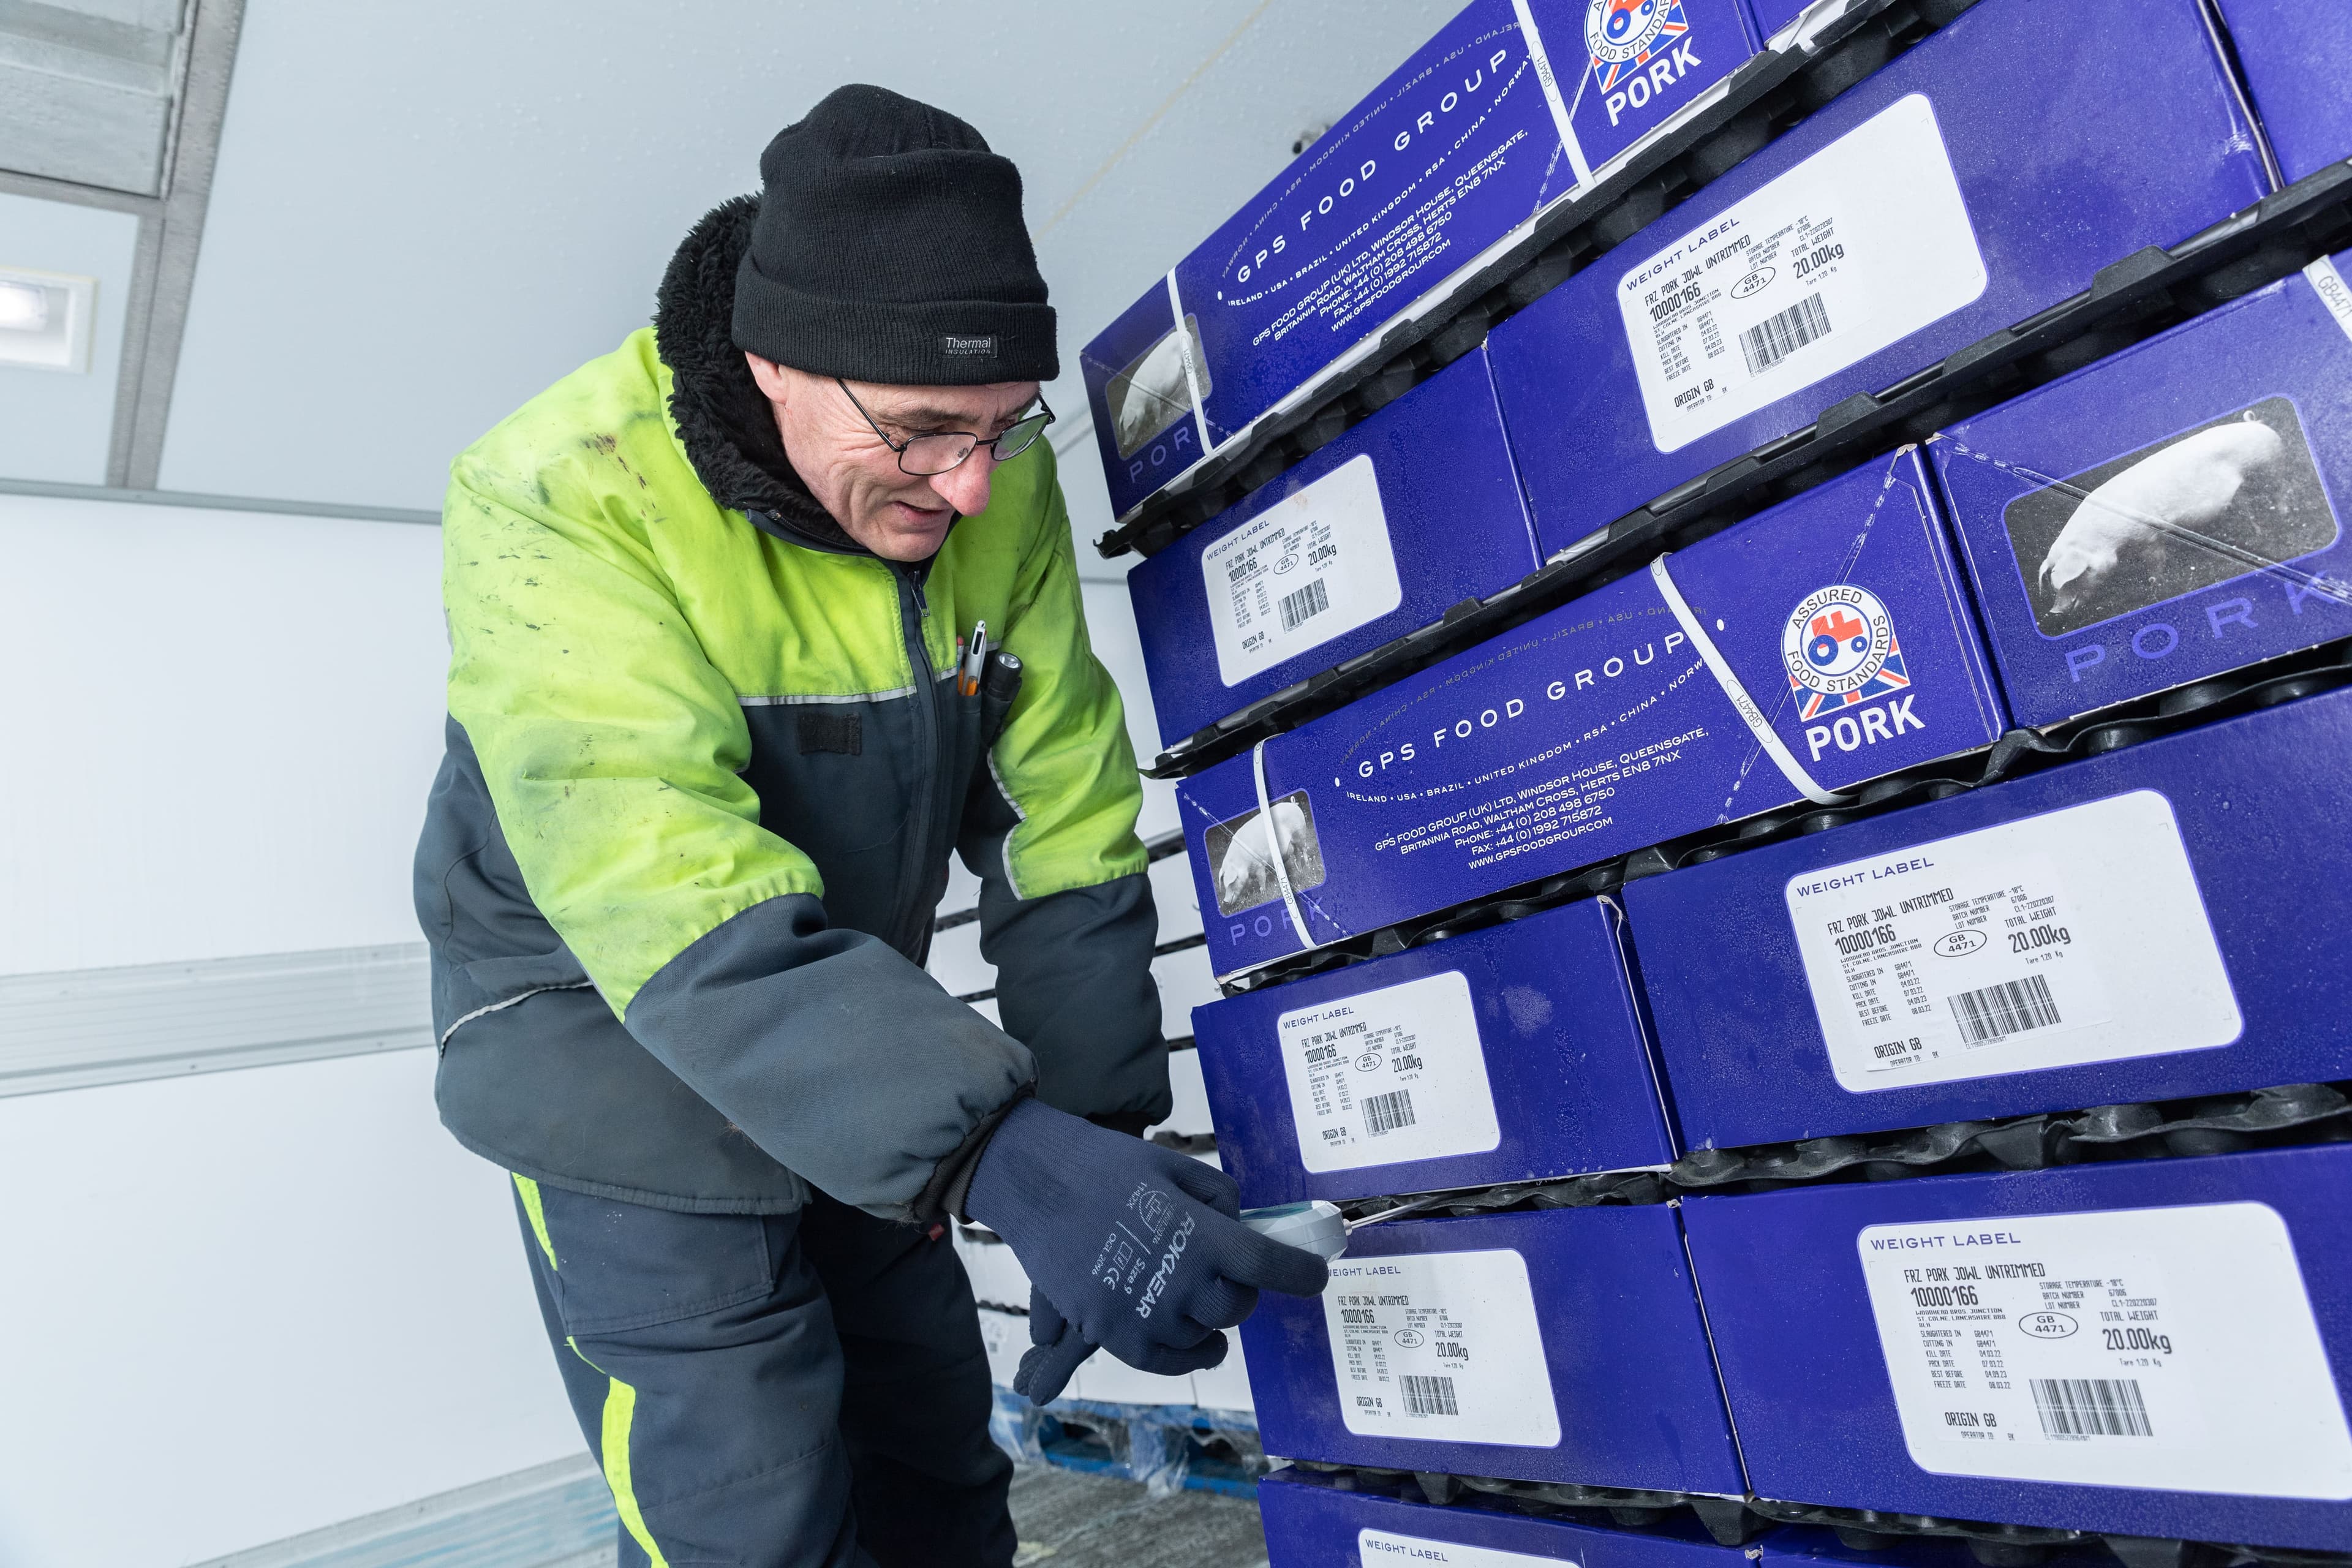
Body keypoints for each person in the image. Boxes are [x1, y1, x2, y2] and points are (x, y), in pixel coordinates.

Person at [412, 85, 1327, 1568]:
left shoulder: (989, 484)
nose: (969, 483)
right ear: (775, 365)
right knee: (760, 1512)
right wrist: (996, 1155)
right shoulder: (562, 492)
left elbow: (1066, 807)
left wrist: (1089, 1149)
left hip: (858, 1036)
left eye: (998, 428)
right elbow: (663, 875)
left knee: (938, 1464)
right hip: (607, 1046)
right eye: (919, 432)